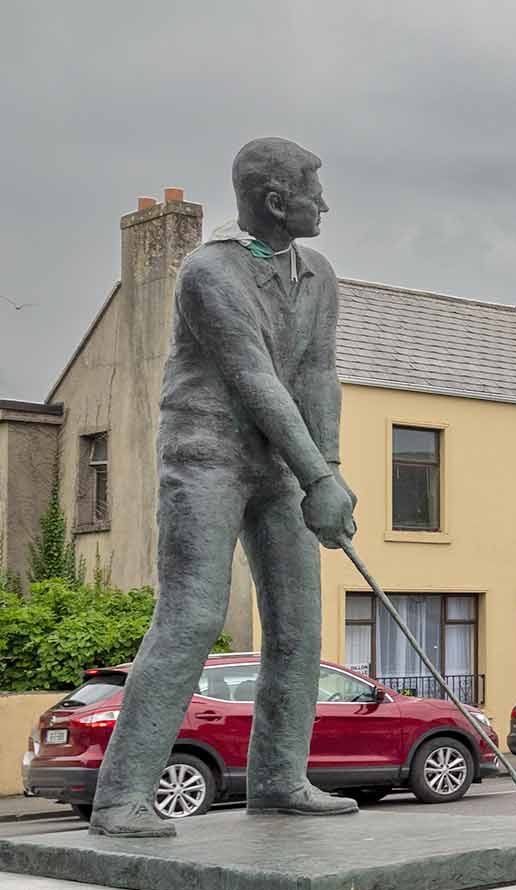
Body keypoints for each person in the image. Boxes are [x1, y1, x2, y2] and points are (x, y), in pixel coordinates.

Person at [87, 138, 358, 838]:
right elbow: (254, 377)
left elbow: (317, 374)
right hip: (206, 455)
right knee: (194, 616)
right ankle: (121, 798)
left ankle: (279, 779)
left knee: (299, 625)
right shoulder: (209, 272)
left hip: (283, 466)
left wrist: (325, 468)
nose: (324, 203)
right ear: (274, 199)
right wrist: (318, 476)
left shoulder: (318, 274)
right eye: (313, 190)